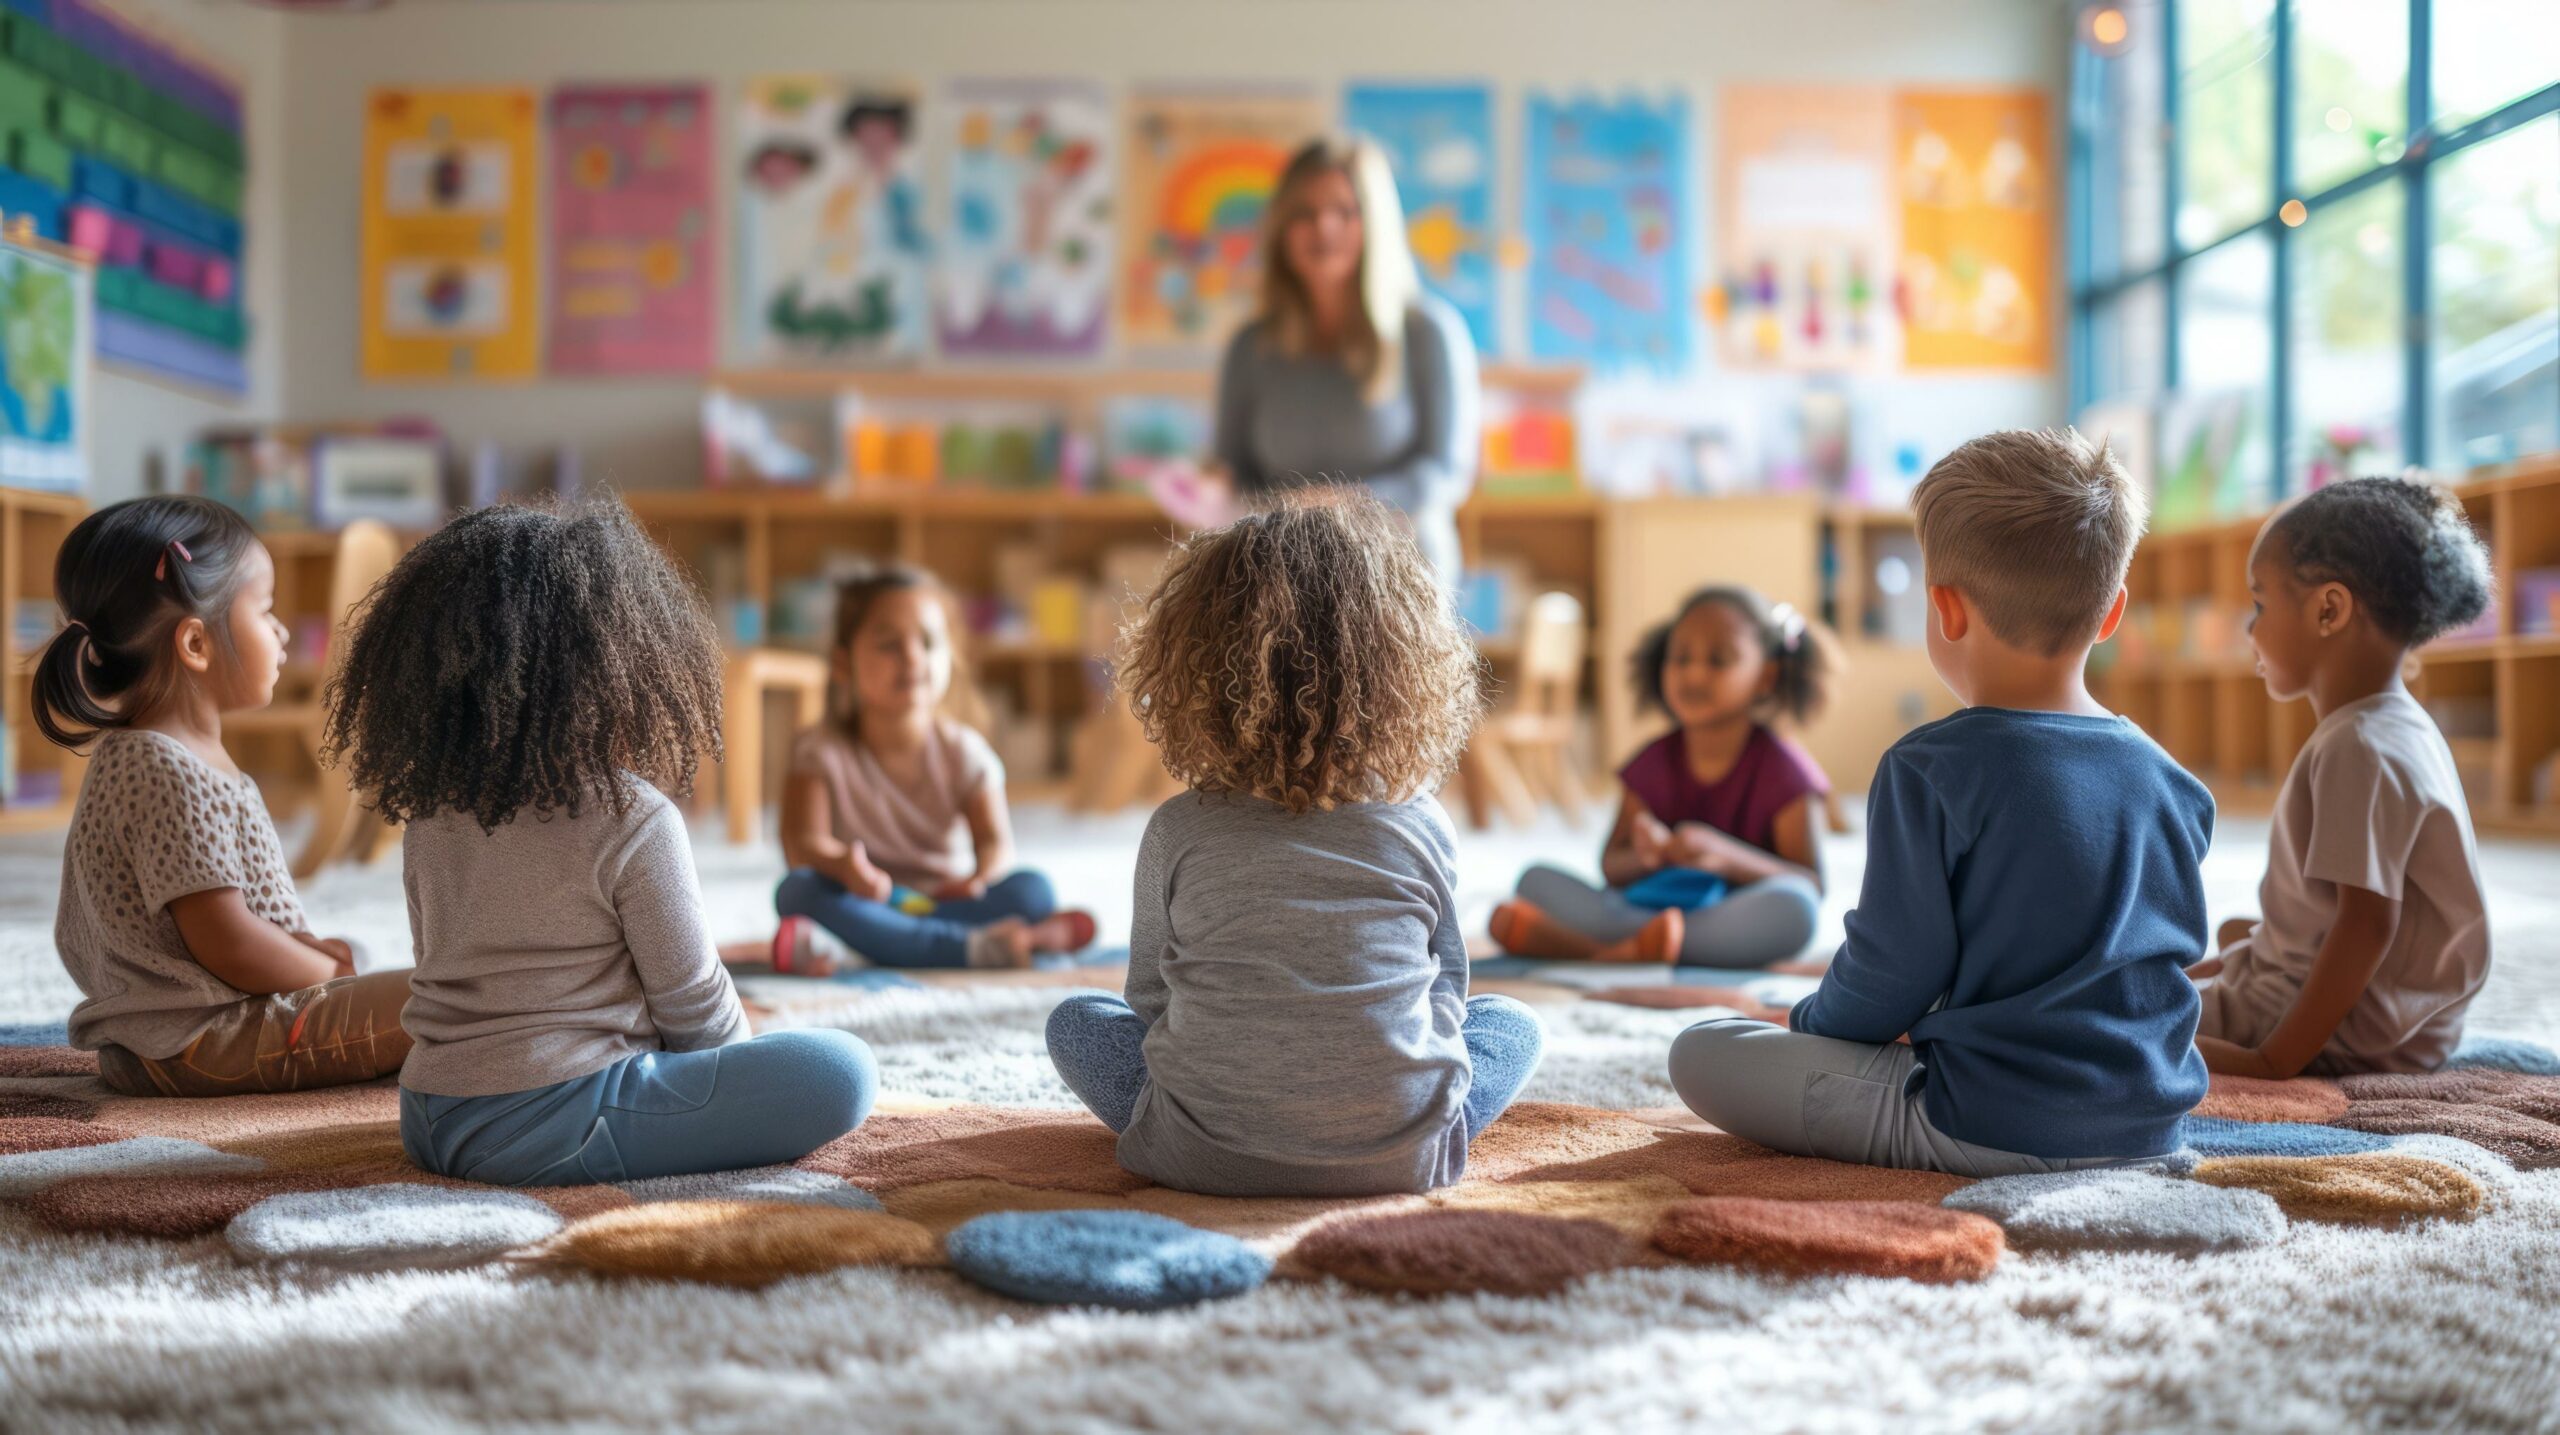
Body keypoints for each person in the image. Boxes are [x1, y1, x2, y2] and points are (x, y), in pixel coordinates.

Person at [1668, 429, 2212, 1177]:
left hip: (1981, 1123)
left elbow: (1889, 976)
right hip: (2152, 1125)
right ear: (2112, 612)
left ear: (1946, 610)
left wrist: (1812, 1027)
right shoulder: (2177, 784)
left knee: (1699, 1051)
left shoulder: (1929, 769)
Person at [322, 500, 875, 1187]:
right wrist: (726, 1081)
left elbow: (444, 966)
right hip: (555, 1122)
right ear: (622, 670)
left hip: (429, 1112)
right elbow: (696, 1009)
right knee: (841, 1071)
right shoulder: (634, 817)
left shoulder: (431, 815)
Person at [1044, 497, 1544, 1197]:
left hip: (1195, 1155)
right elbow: (1446, 994)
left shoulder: (1178, 827)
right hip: (1402, 1157)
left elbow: (1152, 1001)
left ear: (1196, 671)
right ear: (1400, 673)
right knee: (1512, 1023)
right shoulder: (1419, 821)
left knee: (1078, 1022)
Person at [36, 496, 408, 1096]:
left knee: (422, 994)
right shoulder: (161, 766)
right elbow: (226, 941)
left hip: (196, 1033)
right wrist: (329, 972)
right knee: (441, 1003)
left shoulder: (175, 757)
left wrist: (313, 952)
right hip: (202, 1041)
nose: (282, 630)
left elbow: (230, 923)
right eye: (265, 610)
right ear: (196, 645)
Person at [2192, 476, 2494, 1077]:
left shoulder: (2357, 746)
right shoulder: (2400, 725)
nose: (2250, 630)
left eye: (2260, 604)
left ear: (2328, 608)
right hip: (2411, 1022)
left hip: (2344, 1030)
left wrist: (2273, 1059)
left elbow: (2366, 923)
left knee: (2104, 1022)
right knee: (2229, 937)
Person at [765, 563, 1094, 972]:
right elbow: (801, 843)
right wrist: (844, 868)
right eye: (889, 644)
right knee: (797, 891)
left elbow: (995, 844)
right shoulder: (818, 750)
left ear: (949, 656)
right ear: (843, 663)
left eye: (928, 642)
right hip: (867, 901)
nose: (912, 657)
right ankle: (967, 949)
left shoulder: (966, 752)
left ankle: (892, 944)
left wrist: (979, 879)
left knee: (1032, 891)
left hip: (946, 903)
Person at [1491, 585, 1836, 967]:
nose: (1694, 673)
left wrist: (1726, 858)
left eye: (1718, 660)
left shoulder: (1785, 773)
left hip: (1729, 915)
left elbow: (1811, 885)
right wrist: (1646, 857)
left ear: (1765, 677)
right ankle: (1646, 944)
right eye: (1680, 658)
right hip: (1646, 908)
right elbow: (1612, 867)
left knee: (1796, 909)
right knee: (1534, 880)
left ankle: (1600, 947)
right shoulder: (1652, 763)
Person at [1194, 135, 1479, 578]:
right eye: (1304, 213)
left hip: (1403, 585)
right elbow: (1232, 472)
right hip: (1281, 582)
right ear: (1282, 230)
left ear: (1374, 224)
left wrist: (1342, 504)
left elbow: (1444, 474)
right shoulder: (1250, 347)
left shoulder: (1429, 333)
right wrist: (1211, 489)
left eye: (1345, 211)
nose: (1323, 227)